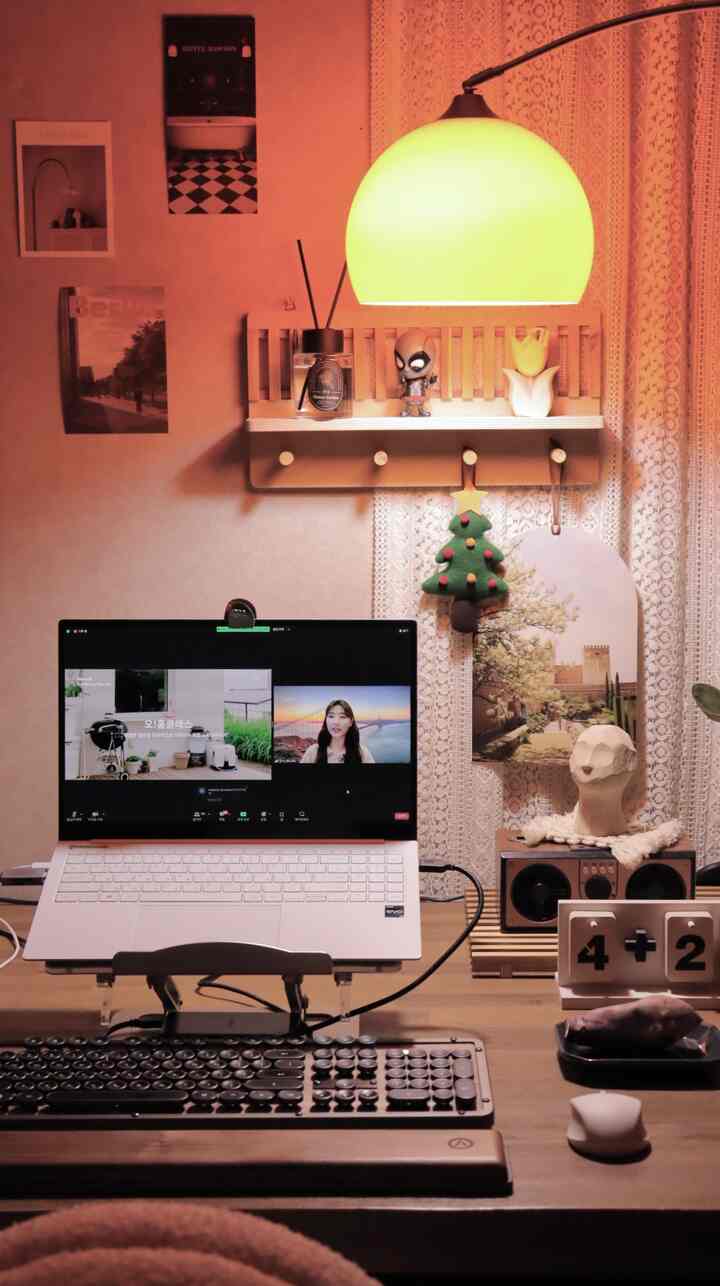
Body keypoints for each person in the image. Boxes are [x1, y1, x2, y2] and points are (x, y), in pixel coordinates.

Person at [300, 699, 375, 764]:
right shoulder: (313, 752)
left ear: (351, 722)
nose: (336, 722)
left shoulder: (363, 754)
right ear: (326, 720)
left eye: (342, 717)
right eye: (331, 716)